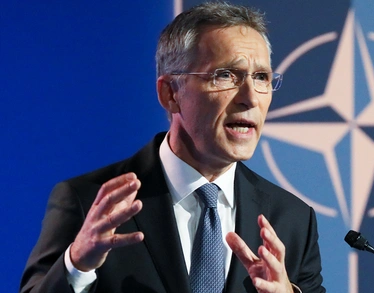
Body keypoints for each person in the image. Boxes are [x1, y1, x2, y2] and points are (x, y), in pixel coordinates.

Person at [20, 2, 325, 293]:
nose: (250, 97)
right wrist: (77, 266)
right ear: (170, 93)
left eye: (261, 77)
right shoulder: (89, 202)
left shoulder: (292, 219)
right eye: (226, 76)